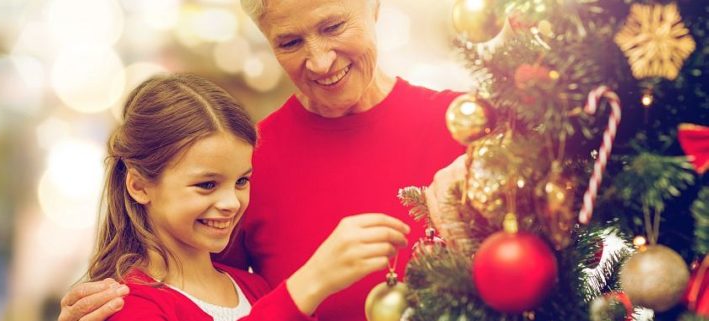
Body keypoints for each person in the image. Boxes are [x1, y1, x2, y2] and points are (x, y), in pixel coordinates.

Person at [58, 1, 468, 320]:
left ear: (374, 7)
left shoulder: (471, 129)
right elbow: (192, 290)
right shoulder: (246, 161)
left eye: (333, 26)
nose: (321, 61)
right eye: (289, 42)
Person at [83, 73, 410, 321]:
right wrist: (308, 284)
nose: (231, 202)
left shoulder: (253, 289)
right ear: (139, 186)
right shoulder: (128, 305)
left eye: (241, 181)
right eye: (207, 185)